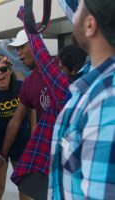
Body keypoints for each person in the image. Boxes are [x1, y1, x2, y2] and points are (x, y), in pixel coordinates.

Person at [0, 6, 70, 198]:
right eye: (16, 49)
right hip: (45, 149)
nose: (19, 53)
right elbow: (16, 119)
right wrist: (3, 153)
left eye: (22, 46)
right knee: (27, 193)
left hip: (70, 149)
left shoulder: (60, 68)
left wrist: (26, 19)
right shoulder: (29, 82)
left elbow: (43, 58)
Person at [50, 0, 115, 199]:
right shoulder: (96, 84)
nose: (73, 13)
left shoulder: (107, 101)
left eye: (78, 8)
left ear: (89, 24)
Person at [0, 54, 31, 200]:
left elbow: (32, 110)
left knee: (26, 190)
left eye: (3, 69)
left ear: (10, 70)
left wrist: (33, 136)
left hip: (21, 144)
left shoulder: (21, 87)